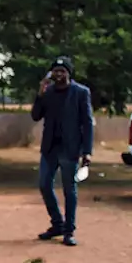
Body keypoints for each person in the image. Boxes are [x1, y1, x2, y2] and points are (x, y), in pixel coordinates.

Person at [31, 56, 94, 247]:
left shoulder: (81, 92)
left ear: (69, 73)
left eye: (62, 71)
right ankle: (57, 223)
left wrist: (87, 150)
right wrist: (40, 95)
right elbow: (35, 116)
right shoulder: (48, 92)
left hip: (70, 149)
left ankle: (69, 231)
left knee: (70, 191)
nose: (59, 74)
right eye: (56, 71)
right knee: (44, 185)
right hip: (50, 148)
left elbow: (87, 122)